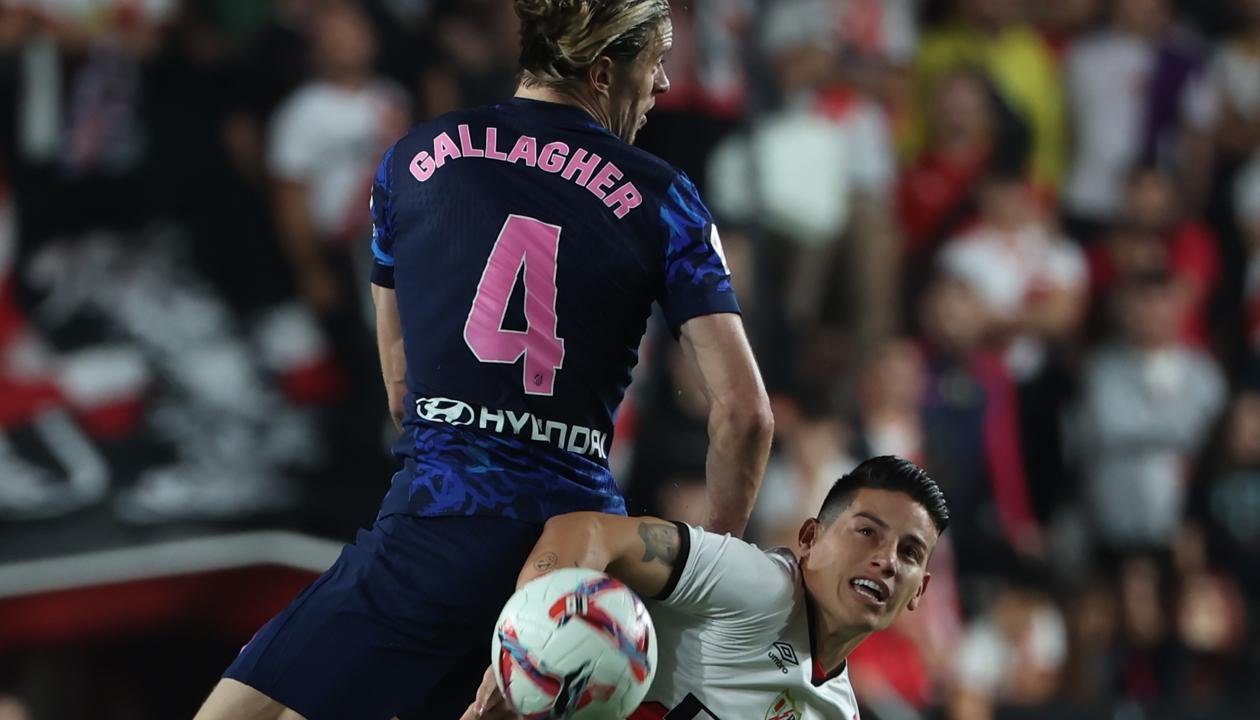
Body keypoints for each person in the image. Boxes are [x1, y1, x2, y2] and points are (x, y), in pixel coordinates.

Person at [194, 1, 773, 719]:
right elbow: (745, 414)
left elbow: (400, 380)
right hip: (574, 573)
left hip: (433, 532)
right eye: (655, 63)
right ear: (601, 71)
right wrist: (704, 576)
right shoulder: (666, 198)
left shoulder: (411, 158)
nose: (661, 84)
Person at [465, 455, 950, 719]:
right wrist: (526, 651)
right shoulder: (758, 586)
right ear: (809, 538)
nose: (887, 560)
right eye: (867, 532)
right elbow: (582, 532)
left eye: (909, 553)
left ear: (920, 591)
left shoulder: (837, 712)